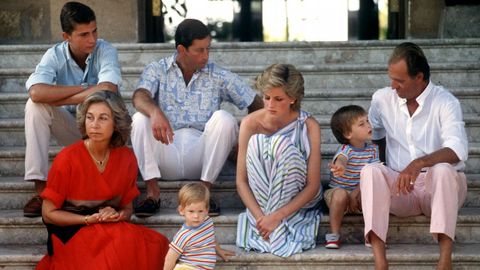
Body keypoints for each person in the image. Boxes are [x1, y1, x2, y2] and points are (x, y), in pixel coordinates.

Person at [131, 18, 263, 217]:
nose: (206, 55)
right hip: (166, 150)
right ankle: (152, 193)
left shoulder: (218, 75)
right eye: (200, 50)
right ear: (182, 50)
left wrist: (244, 143)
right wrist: (155, 112)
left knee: (224, 118)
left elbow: (257, 104)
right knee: (139, 119)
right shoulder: (157, 69)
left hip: (201, 156)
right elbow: (139, 96)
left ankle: (204, 193)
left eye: (208, 48)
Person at [360, 42, 468, 270]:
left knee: (443, 170)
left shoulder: (446, 102)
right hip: (402, 189)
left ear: (419, 77)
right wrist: (385, 170)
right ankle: (380, 262)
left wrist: (419, 163)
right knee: (370, 170)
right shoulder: (382, 99)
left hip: (438, 190)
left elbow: (458, 150)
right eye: (391, 79)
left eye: (400, 81)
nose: (393, 86)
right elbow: (376, 133)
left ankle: (445, 260)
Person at [35, 90, 169, 270]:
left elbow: (127, 209)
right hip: (71, 232)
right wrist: (88, 220)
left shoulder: (126, 158)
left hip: (106, 226)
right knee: (113, 254)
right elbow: (48, 214)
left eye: (103, 118)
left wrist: (115, 214)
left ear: (116, 123)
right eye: (90, 118)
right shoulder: (67, 159)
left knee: (156, 244)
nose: (94, 125)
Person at [23, 1, 122, 217]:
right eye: (84, 34)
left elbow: (108, 89)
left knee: (102, 101)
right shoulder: (54, 55)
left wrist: (60, 97)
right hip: (74, 128)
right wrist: (87, 89)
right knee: (35, 106)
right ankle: (42, 191)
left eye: (94, 31)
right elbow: (37, 93)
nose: (93, 39)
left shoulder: (105, 50)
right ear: (66, 36)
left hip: (105, 133)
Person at [235, 64, 322, 257]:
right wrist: (262, 219)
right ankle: (275, 231)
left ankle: (275, 229)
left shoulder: (309, 126)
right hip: (262, 203)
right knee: (258, 142)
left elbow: (313, 185)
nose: (270, 105)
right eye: (266, 98)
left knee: (280, 145)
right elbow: (241, 181)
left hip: (298, 199)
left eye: (278, 99)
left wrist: (277, 216)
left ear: (293, 98)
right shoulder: (250, 123)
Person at [324, 105, 379, 249]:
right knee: (340, 194)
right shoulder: (345, 150)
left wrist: (357, 190)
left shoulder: (373, 150)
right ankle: (334, 235)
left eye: (367, 121)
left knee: (373, 193)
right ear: (348, 134)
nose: (368, 125)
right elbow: (342, 160)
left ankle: (371, 233)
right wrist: (340, 167)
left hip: (359, 193)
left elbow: (374, 173)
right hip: (338, 194)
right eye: (362, 124)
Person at [164, 183, 234, 270]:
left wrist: (219, 250)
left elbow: (210, 237)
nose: (196, 216)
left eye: (200, 211)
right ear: (181, 210)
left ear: (207, 210)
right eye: (191, 211)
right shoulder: (183, 236)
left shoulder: (207, 222)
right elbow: (170, 259)